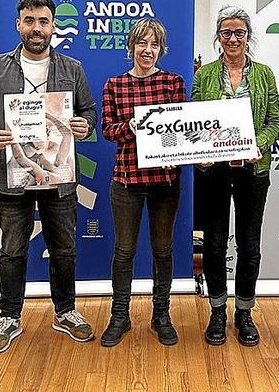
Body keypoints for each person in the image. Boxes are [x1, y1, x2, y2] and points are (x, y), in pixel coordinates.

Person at [0, 0, 97, 353]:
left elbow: (89, 113)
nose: (36, 28)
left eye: (43, 21)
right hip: (11, 177)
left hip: (58, 177)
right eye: (29, 21)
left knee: (65, 248)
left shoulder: (72, 69)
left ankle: (66, 311)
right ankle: (9, 317)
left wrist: (84, 125)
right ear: (18, 25)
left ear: (53, 26)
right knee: (11, 250)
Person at [192, 6, 279, 347]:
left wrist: (255, 145)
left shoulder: (263, 75)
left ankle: (244, 311)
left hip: (252, 171)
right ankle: (217, 310)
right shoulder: (204, 76)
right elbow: (196, 122)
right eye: (226, 33)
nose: (232, 39)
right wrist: (199, 155)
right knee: (213, 243)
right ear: (218, 37)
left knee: (249, 244)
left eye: (239, 33)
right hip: (214, 172)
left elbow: (274, 121)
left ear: (248, 37)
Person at [99, 18, 186, 347]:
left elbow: (181, 128)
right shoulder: (114, 85)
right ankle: (119, 316)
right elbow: (107, 129)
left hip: (165, 180)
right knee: (124, 251)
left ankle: (161, 315)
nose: (147, 51)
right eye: (142, 44)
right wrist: (131, 126)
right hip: (126, 180)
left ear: (161, 49)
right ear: (131, 47)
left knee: (162, 251)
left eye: (154, 45)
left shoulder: (173, 83)